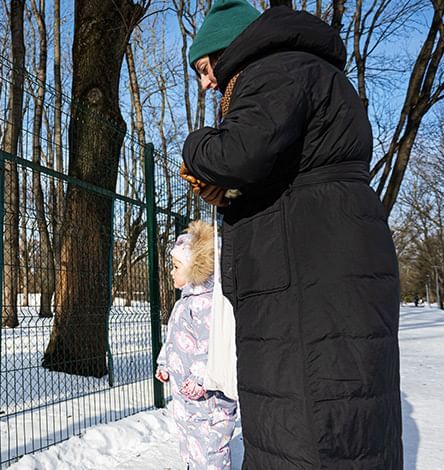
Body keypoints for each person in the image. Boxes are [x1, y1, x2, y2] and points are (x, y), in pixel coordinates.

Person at [178, 1, 403, 468]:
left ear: (231, 48)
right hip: (318, 274)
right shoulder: (301, 69)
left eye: (205, 67)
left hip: (308, 286)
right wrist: (236, 197)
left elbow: (239, 152)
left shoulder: (274, 66)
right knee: (333, 426)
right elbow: (282, 171)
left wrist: (194, 144)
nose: (206, 82)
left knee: (308, 427)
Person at [156, 221, 238, 470]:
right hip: (187, 396)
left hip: (208, 395)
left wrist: (201, 378)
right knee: (190, 437)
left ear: (197, 268)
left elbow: (213, 344)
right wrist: (164, 363)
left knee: (211, 442)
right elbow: (174, 337)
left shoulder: (209, 304)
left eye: (176, 266)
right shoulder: (185, 302)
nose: (171, 271)